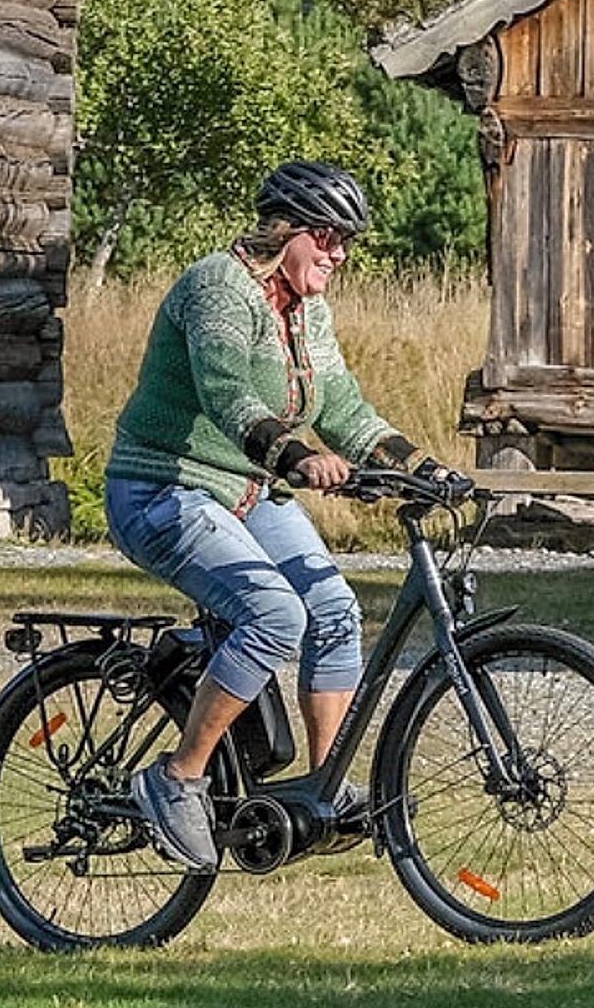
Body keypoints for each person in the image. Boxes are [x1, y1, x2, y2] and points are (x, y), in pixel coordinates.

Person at [100, 159, 435, 874]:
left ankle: (321, 789)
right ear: (285, 229)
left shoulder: (306, 309)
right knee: (275, 613)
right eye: (328, 236)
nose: (339, 253)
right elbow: (227, 396)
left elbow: (343, 405)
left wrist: (421, 466)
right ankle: (177, 778)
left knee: (335, 610)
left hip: (246, 492)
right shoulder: (218, 289)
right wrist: (296, 459)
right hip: (164, 487)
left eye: (346, 240)